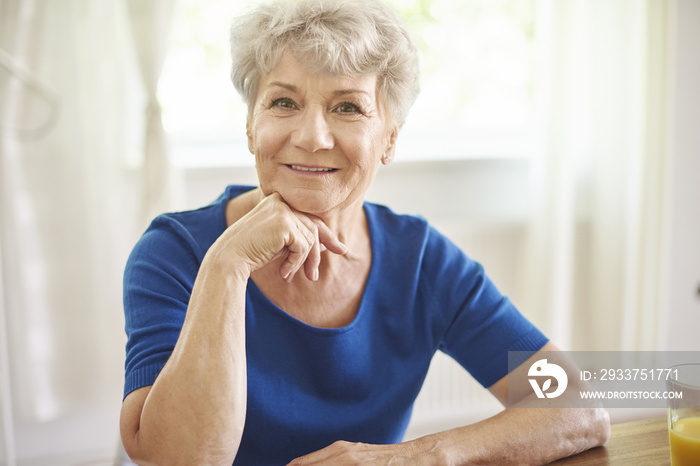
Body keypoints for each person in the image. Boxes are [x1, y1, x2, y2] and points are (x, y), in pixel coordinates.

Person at [119, 0, 610, 464]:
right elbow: (175, 459)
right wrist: (227, 266)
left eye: (347, 107)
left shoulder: (422, 261)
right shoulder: (172, 253)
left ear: (389, 138)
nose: (311, 136)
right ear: (251, 125)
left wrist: (414, 456)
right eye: (284, 102)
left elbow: (577, 406)